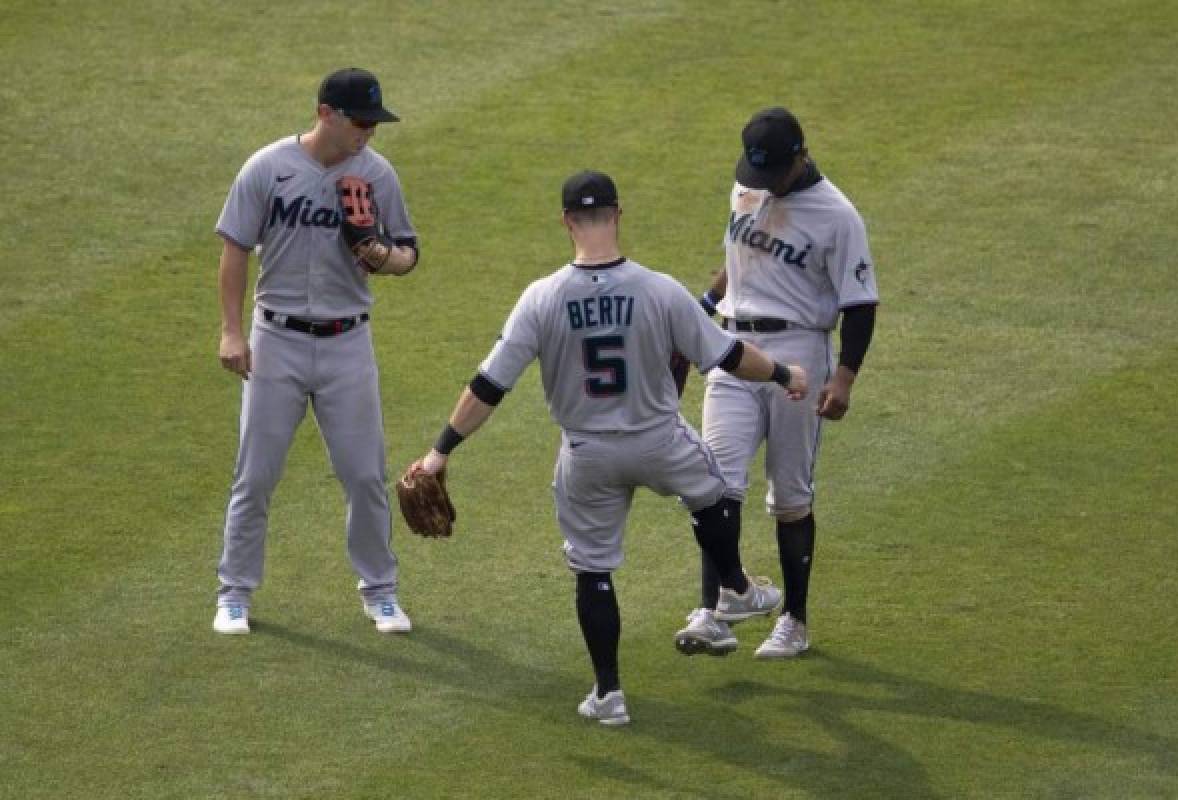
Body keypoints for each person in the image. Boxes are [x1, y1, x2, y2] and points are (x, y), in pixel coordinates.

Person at [406, 170, 810, 725]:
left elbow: (489, 386)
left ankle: (609, 695)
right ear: (618, 214)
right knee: (712, 494)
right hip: (659, 440)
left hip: (587, 454)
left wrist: (440, 451)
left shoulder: (541, 298)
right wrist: (785, 372)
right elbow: (728, 355)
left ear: (566, 221)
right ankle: (736, 588)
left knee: (593, 571)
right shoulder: (660, 289)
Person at [212, 67, 420, 635]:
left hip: (347, 342)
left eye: (375, 123)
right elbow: (234, 247)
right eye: (361, 122)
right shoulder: (269, 168)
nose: (369, 134)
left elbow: (409, 252)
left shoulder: (377, 176)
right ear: (325, 113)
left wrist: (380, 254)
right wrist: (233, 332)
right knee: (255, 475)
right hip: (274, 339)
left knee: (363, 475)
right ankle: (234, 594)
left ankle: (380, 592)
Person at [674, 107, 879, 659]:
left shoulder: (838, 216)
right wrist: (702, 309)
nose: (760, 184)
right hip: (734, 349)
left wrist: (846, 378)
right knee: (711, 484)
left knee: (789, 497)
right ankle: (718, 605)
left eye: (772, 175)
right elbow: (737, 257)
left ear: (800, 157)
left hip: (800, 352)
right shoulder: (747, 186)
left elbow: (860, 303)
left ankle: (794, 619)